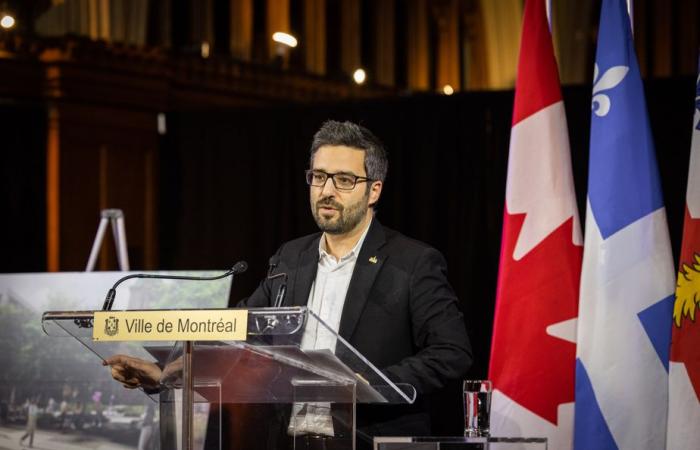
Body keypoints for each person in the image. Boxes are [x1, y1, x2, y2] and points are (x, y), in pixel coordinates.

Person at [105, 120, 472, 449]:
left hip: (367, 439)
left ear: (373, 190)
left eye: (344, 180)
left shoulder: (412, 262)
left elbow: (451, 352)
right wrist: (167, 373)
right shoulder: (290, 258)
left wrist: (368, 383)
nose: (327, 190)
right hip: (286, 440)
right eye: (319, 176)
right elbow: (237, 333)